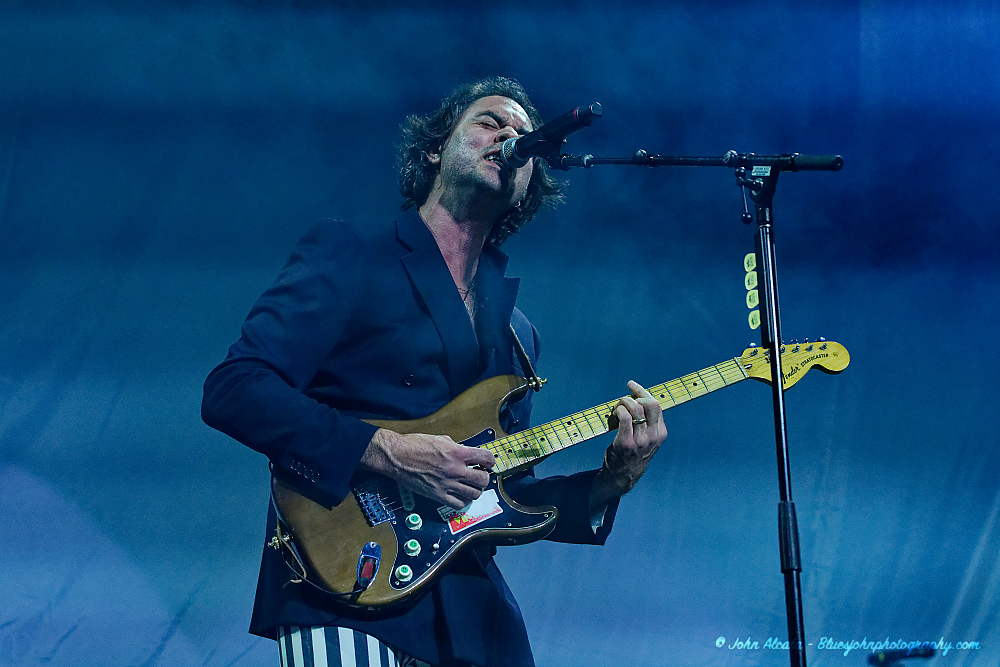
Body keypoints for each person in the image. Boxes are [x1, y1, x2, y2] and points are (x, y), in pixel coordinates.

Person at [201, 76, 667, 667]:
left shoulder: (520, 335)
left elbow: (498, 493)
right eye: (490, 122)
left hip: (475, 622)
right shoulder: (353, 254)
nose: (510, 136)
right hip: (343, 582)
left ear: (528, 186)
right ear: (433, 149)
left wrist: (610, 481)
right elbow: (234, 388)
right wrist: (384, 450)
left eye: (524, 134)